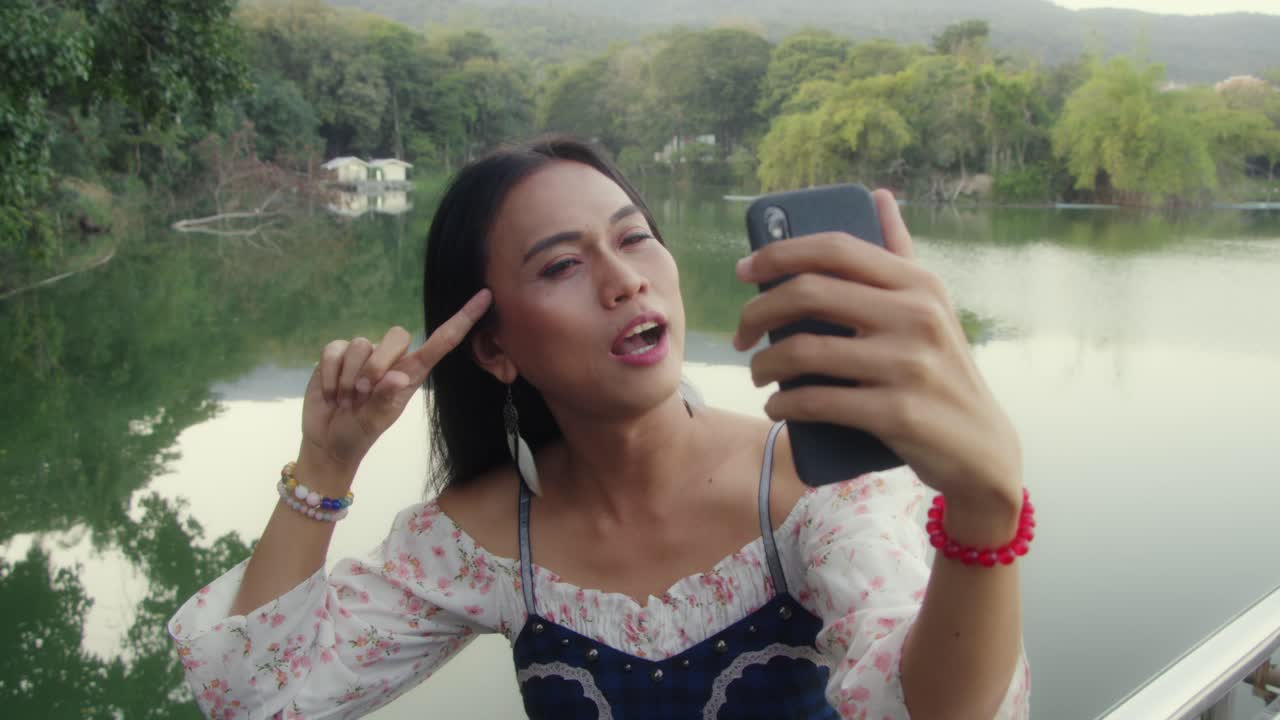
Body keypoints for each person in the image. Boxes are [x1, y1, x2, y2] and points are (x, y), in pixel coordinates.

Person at [169, 135, 1032, 719]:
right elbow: (257, 700)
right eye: (561, 265)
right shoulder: (485, 541)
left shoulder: (811, 491)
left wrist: (984, 510)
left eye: (635, 238)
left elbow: (927, 709)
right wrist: (326, 464)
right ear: (496, 347)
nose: (624, 280)